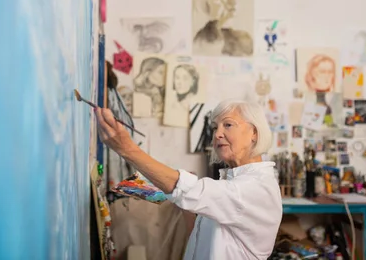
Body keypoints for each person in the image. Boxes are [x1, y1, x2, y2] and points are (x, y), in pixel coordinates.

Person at [95, 100, 282, 259]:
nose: (217, 134)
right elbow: (204, 233)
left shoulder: (255, 189)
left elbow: (190, 191)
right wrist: (186, 202)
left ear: (254, 133)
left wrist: (127, 149)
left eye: (228, 125)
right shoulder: (233, 183)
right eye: (215, 127)